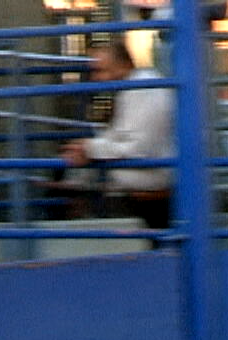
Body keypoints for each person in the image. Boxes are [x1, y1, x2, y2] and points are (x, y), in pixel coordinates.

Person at [60, 38, 175, 231]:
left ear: (123, 66)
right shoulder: (133, 91)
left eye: (101, 70)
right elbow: (122, 141)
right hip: (147, 197)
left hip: (154, 199)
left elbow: (139, 148)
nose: (95, 79)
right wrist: (89, 148)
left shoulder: (143, 90)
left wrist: (89, 149)